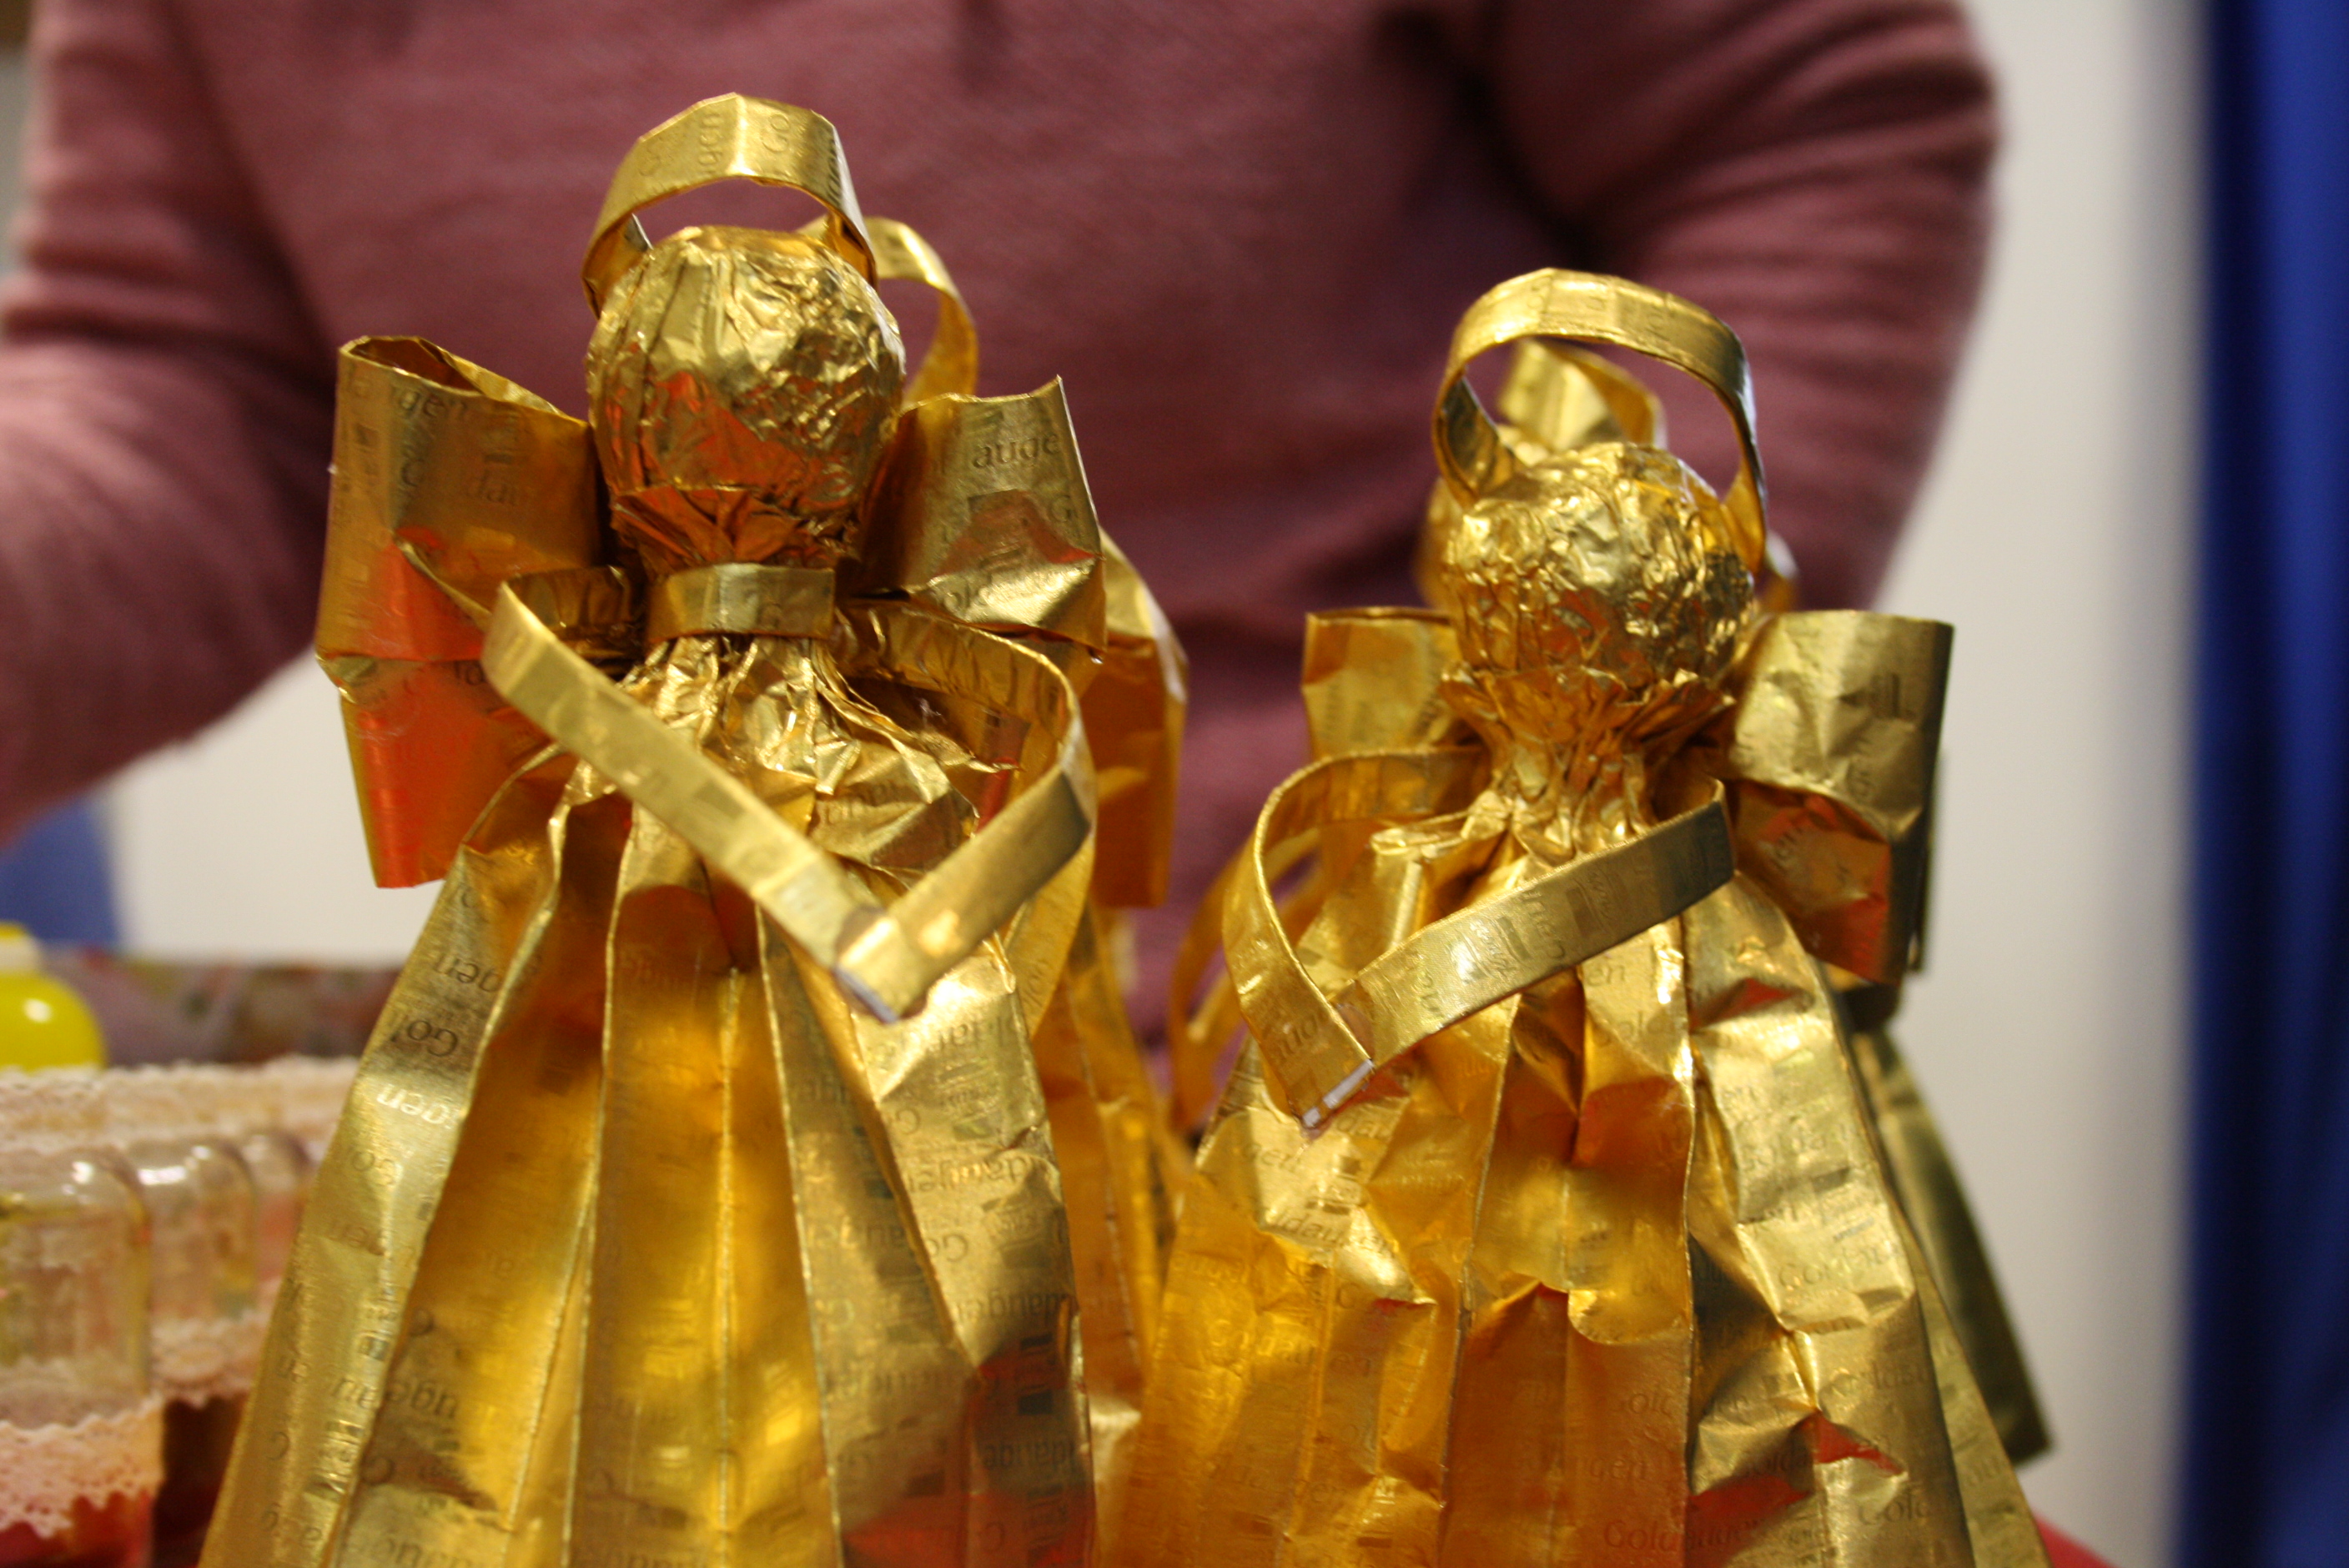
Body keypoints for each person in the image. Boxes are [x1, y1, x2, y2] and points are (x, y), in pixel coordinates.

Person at [0, 0, 1994, 1019]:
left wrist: (1560, 759)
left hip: (1342, 1031)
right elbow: (211, 395)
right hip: (644, 1066)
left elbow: (1802, 121)